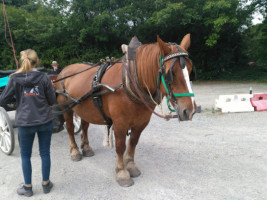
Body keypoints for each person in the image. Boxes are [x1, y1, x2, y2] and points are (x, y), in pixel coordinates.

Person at [0, 49, 56, 197]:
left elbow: (3, 100)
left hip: (25, 123)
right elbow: (52, 101)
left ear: (21, 60)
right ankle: (46, 184)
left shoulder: (14, 78)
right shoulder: (44, 77)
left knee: (25, 155)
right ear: (36, 61)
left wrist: (17, 100)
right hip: (45, 121)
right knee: (45, 153)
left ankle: (28, 188)